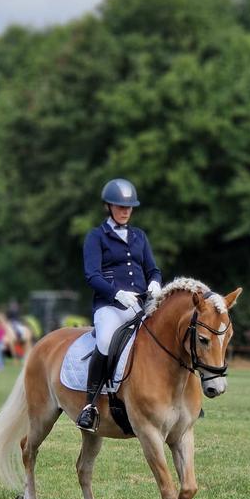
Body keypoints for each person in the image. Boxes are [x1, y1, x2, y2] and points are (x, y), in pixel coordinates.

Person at [76, 178, 163, 432]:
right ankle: (89, 407)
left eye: (129, 207)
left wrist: (155, 283)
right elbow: (92, 275)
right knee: (104, 340)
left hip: (140, 305)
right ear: (108, 207)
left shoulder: (139, 236)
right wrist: (117, 294)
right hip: (110, 306)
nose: (125, 211)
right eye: (119, 206)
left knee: (168, 337)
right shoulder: (96, 236)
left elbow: (153, 269)